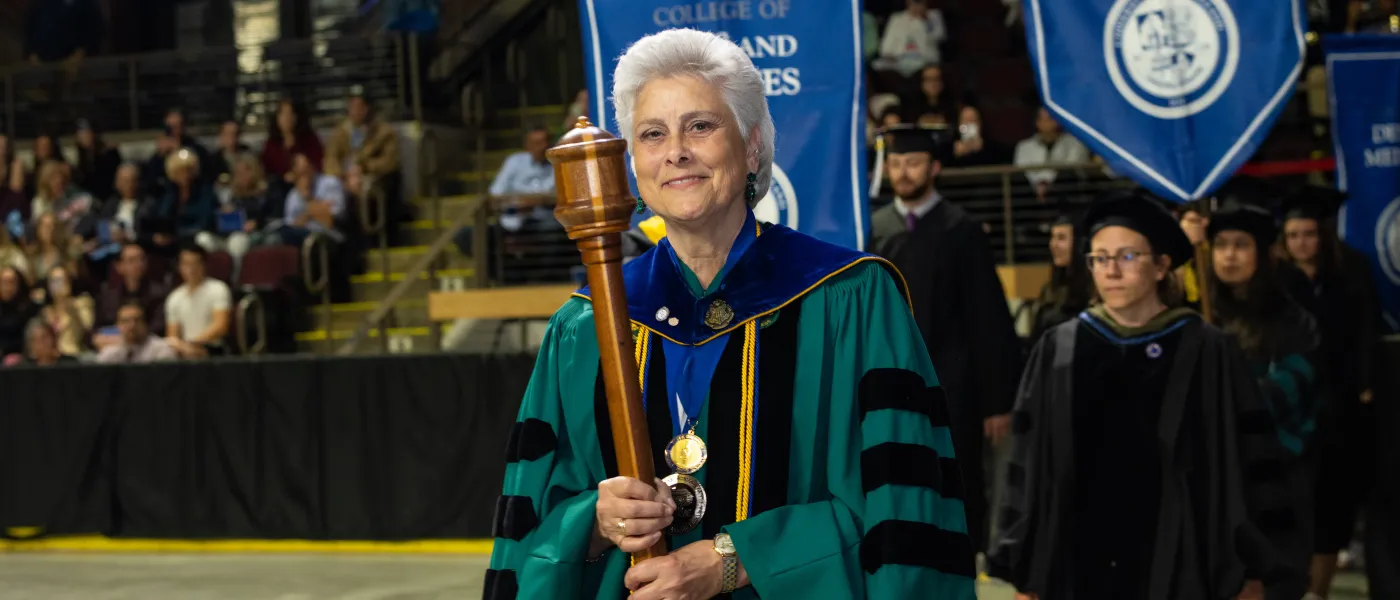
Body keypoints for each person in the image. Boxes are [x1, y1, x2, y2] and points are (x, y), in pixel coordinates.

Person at [484, 29, 977, 600]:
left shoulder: (853, 300)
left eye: (700, 125)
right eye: (652, 134)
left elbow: (904, 514)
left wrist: (738, 559)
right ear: (634, 166)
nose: (676, 151)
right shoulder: (586, 326)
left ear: (751, 145)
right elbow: (528, 530)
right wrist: (594, 522)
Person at [988, 190, 1295, 600]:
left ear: (1162, 266)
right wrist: (1026, 569)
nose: (1111, 270)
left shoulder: (1207, 350)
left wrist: (1254, 568)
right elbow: (1028, 462)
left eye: (1128, 256)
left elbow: (1247, 461)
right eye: (1099, 258)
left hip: (1185, 560)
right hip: (1076, 559)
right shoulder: (1059, 350)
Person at [867, 124, 1022, 551]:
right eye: (896, 164)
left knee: (960, 474)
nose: (903, 172)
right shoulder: (874, 228)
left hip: (956, 382)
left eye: (913, 163)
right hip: (892, 378)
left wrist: (995, 401)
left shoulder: (962, 230)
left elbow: (987, 320)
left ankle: (963, 561)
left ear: (934, 167)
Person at [1207, 202, 1323, 600]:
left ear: (1263, 253)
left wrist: (1230, 401)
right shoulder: (1203, 317)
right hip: (1218, 472)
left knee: (1277, 581)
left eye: (1241, 245)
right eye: (1220, 245)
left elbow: (1296, 384)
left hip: (1278, 470)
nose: (1229, 256)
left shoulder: (1291, 319)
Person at [1276, 188, 1381, 600]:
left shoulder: (1350, 270)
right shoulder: (1279, 279)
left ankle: (1318, 591)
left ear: (1322, 234)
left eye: (1309, 233)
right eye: (1294, 235)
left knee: (1334, 502)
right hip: (1293, 405)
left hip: (1340, 403)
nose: (1302, 242)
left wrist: (1366, 382)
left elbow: (1366, 329)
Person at [93, 243, 169, 351]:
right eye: (131, 260)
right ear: (119, 266)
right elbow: (96, 328)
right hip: (114, 345)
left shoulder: (159, 293)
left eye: (141, 259)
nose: (138, 264)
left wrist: (130, 336)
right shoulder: (107, 296)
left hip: (148, 346)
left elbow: (159, 328)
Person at [1029, 212, 1091, 342]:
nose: (1053, 245)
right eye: (1052, 237)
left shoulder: (1093, 290)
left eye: (1061, 238)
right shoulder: (1050, 289)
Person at [164, 244, 231, 358]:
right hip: (185, 350)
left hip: (212, 349)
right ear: (179, 267)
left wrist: (194, 343)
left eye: (195, 263)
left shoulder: (218, 289)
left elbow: (221, 326)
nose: (191, 269)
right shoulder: (174, 297)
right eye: (186, 264)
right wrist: (182, 346)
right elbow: (172, 335)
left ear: (204, 265)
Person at [1013, 107, 1090, 203]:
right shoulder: (1024, 146)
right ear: (1038, 123)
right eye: (1047, 119)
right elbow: (1023, 170)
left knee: (1067, 175)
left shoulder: (1075, 143)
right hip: (1033, 192)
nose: (1051, 123)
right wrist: (1040, 184)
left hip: (1064, 191)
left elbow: (1073, 167)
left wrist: (1047, 183)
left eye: (1053, 118)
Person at [154, 149, 218, 251]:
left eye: (188, 170)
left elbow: (205, 220)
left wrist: (178, 233)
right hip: (175, 237)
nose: (185, 175)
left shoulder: (205, 192)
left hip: (196, 234)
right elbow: (163, 217)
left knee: (204, 239)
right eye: (180, 171)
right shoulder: (168, 193)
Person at [261, 98, 324, 199]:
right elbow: (266, 170)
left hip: (308, 185)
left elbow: (318, 164)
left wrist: (298, 175)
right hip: (280, 188)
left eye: (290, 114)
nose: (287, 119)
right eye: (283, 114)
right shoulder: (271, 144)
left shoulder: (310, 140)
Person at [39, 264, 94, 357]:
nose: (58, 285)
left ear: (69, 282)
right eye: (53, 281)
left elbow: (88, 325)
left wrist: (70, 305)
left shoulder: (81, 303)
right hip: (51, 358)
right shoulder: (46, 311)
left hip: (73, 355)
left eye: (61, 280)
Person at [96, 300, 176, 363]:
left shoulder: (161, 351)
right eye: (125, 321)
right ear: (118, 326)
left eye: (137, 320)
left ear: (145, 323)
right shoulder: (110, 353)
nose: (132, 326)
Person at [74, 119, 122, 201]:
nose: (86, 137)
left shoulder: (109, 153)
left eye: (88, 133)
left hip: (108, 196)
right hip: (87, 198)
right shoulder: (81, 157)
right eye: (82, 134)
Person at [0, 266, 38, 360]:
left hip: (20, 359)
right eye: (2, 282)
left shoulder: (28, 308)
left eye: (11, 282)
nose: (6, 287)